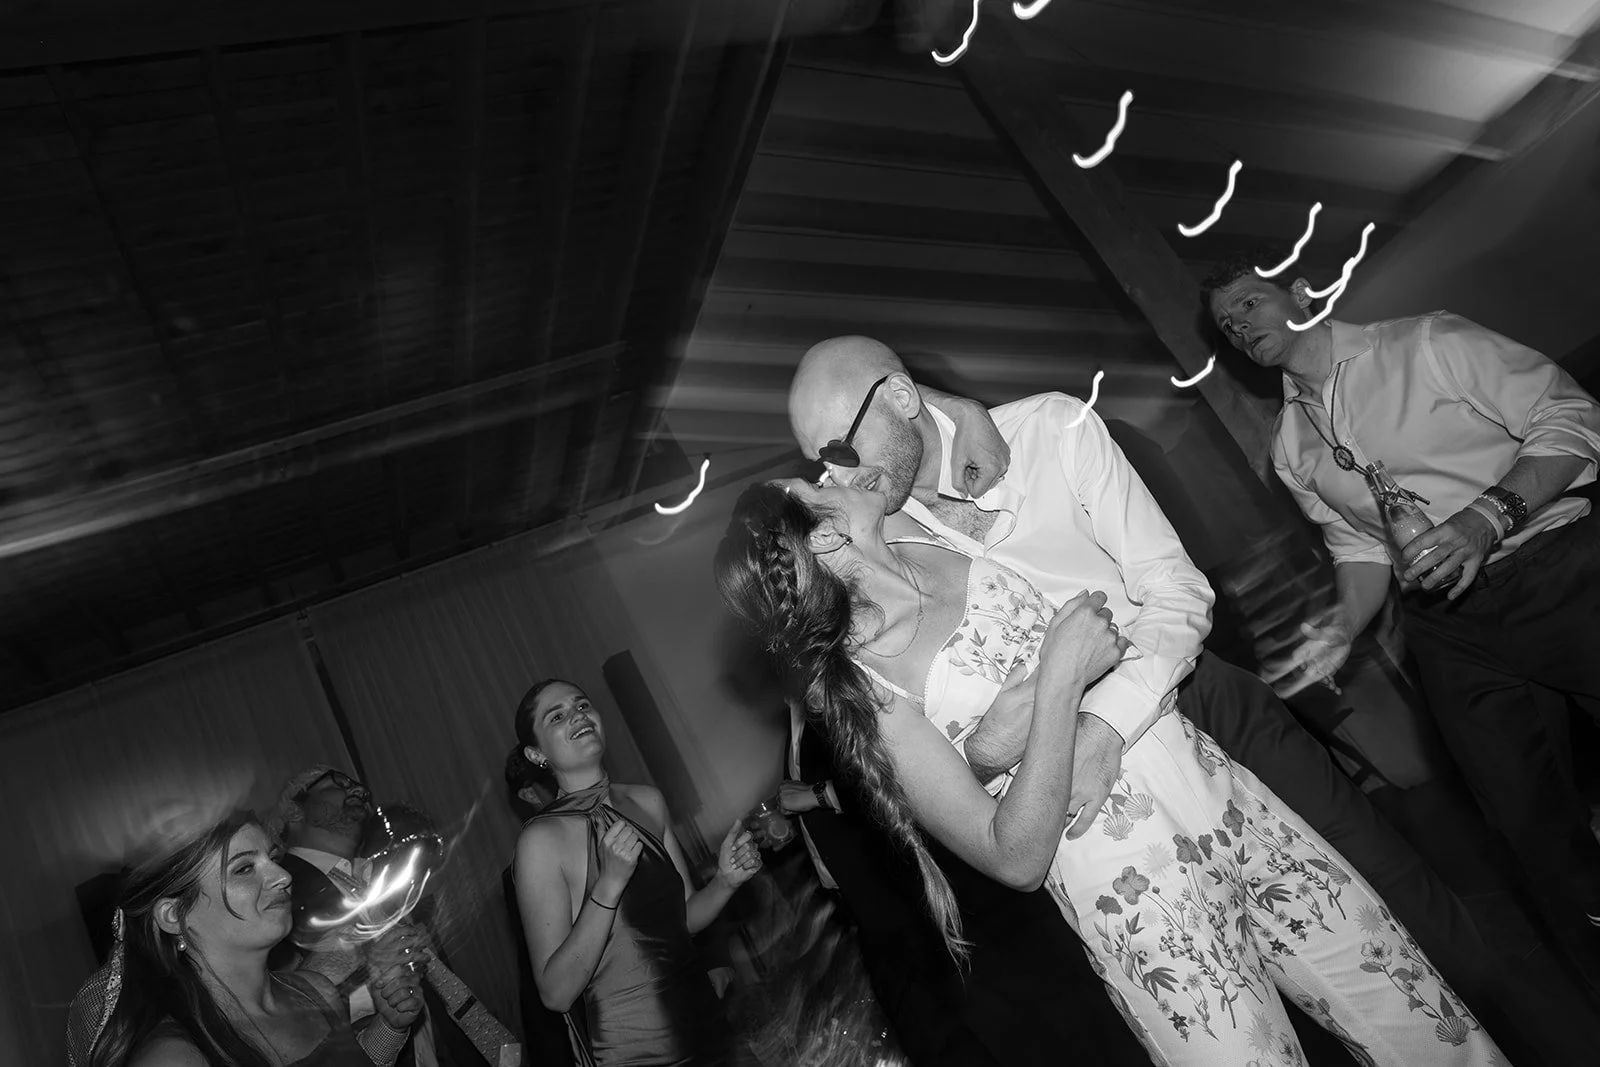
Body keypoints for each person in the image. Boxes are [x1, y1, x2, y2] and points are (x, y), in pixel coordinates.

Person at [787, 334, 1600, 1063]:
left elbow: (1176, 590)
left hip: (1198, 700)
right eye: (818, 465)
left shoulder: (1050, 431)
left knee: (1407, 906)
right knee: (1258, 1000)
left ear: (896, 396)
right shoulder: (885, 526)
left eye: (835, 448)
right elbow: (794, 538)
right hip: (1098, 798)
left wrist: (1105, 720)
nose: (832, 475)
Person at [717, 477, 1505, 1065]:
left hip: (1220, 794)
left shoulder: (936, 535)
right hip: (1133, 891)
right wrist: (1057, 680)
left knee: (1424, 1020)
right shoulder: (872, 692)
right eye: (815, 487)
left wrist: (1000, 737)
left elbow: (969, 438)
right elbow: (1012, 855)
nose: (836, 478)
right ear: (821, 539)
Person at [1201, 256, 1600, 949]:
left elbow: (1571, 414)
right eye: (1226, 323)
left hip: (1559, 568)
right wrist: (1341, 626)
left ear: (1299, 291)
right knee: (1519, 810)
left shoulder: (1426, 342)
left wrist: (1485, 518)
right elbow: (1360, 549)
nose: (1238, 325)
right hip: (1449, 624)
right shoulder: (1291, 445)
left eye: (1247, 302)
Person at [778, 703, 1151, 1066]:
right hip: (885, 921)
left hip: (941, 898)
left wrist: (814, 797)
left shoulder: (838, 699)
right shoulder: (792, 728)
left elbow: (888, 775)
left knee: (1036, 1022)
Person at [510, 678, 762, 1066]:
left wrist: (726, 881)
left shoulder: (647, 800)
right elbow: (555, 994)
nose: (578, 716)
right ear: (536, 752)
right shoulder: (541, 840)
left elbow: (685, 919)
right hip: (633, 1051)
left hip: (706, 1026)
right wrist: (608, 885)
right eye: (557, 716)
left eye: (582, 705)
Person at [65, 809, 421, 1067]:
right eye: (244, 868)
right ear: (174, 916)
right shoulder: (175, 1058)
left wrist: (389, 1026)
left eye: (272, 857)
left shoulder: (314, 991)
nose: (282, 875)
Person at [270, 767, 456, 1067]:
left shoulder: (380, 878)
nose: (358, 790)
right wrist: (368, 970)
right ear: (294, 809)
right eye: (337, 783)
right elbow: (282, 1012)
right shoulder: (278, 891)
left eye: (358, 786)